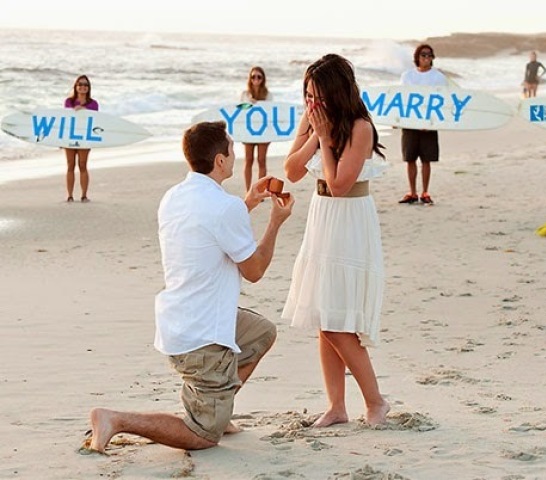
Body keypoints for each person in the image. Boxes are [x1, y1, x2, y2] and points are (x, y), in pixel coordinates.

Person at [87, 121, 294, 453]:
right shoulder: (223, 207)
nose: (235, 153)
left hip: (180, 322)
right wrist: (274, 222)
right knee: (202, 436)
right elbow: (255, 270)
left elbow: (210, 228)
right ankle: (116, 418)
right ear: (220, 161)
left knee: (261, 332)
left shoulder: (174, 197)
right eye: (231, 148)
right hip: (202, 337)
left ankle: (217, 404)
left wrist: (249, 203)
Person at [282, 53, 390, 428]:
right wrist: (314, 134)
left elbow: (340, 185)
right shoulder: (311, 120)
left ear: (336, 91)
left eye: (318, 94)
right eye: (308, 94)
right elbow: (293, 171)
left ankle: (376, 402)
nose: (312, 102)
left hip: (349, 221)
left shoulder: (360, 128)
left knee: (337, 322)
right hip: (322, 219)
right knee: (323, 317)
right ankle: (337, 406)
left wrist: (326, 140)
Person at [398, 43, 448, 205]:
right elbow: (401, 99)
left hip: (429, 124)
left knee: (426, 159)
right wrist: (395, 119)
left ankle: (425, 191)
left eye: (429, 55)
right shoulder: (407, 76)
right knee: (410, 158)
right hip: (410, 123)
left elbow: (443, 100)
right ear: (417, 57)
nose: (426, 58)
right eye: (423, 55)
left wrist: (433, 122)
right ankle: (412, 192)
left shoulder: (438, 77)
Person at [64, 75, 99, 202]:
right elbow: (65, 120)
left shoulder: (93, 104)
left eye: (85, 85)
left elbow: (95, 119)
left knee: (82, 165)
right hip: (69, 136)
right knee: (70, 165)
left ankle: (84, 195)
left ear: (88, 88)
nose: (82, 87)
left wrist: (84, 110)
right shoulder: (69, 102)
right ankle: (70, 195)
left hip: (85, 136)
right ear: (76, 86)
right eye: (80, 84)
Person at [240, 66, 273, 192]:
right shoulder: (245, 94)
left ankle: (259, 190)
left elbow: (271, 112)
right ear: (250, 78)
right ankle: (248, 190)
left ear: (263, 79)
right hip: (249, 131)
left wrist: (260, 104)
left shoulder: (268, 95)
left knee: (261, 160)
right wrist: (250, 104)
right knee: (248, 160)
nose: (256, 79)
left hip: (263, 131)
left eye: (259, 77)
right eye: (253, 76)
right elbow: (239, 111)